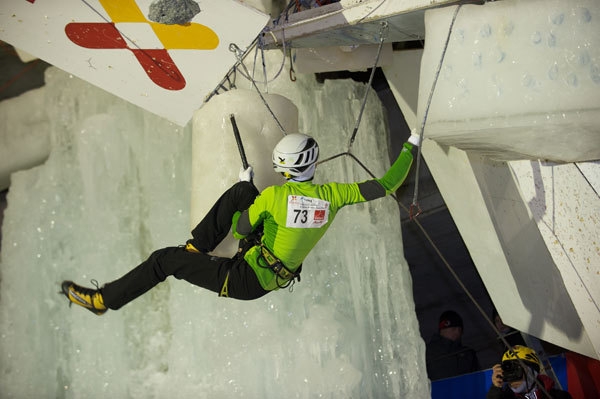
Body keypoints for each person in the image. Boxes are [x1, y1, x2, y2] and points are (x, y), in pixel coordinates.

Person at [61, 131, 420, 315]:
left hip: (244, 279)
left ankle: (102, 300)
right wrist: (410, 146)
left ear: (285, 168)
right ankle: (197, 248)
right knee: (242, 190)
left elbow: (241, 230)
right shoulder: (334, 195)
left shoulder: (274, 198)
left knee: (163, 260)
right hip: (270, 269)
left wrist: (247, 200)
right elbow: (388, 183)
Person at [487, 345, 572, 399]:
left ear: (533, 372)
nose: (513, 379)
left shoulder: (560, 396)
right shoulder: (505, 397)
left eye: (517, 370)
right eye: (508, 371)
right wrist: (495, 389)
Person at [425, 309, 480, 380]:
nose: (457, 333)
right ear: (442, 329)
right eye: (453, 329)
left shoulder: (468, 353)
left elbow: (478, 379)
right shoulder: (426, 352)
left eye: (460, 330)